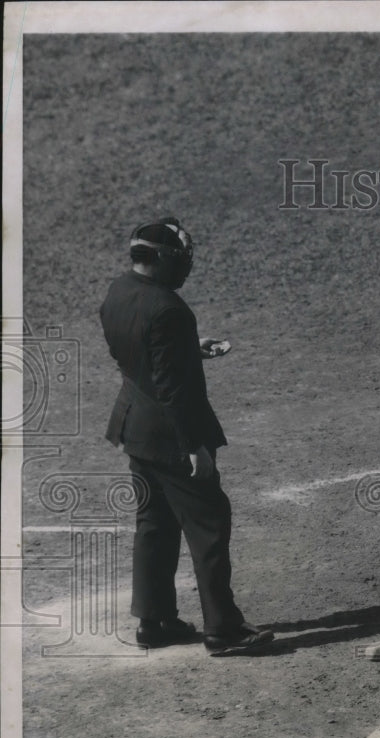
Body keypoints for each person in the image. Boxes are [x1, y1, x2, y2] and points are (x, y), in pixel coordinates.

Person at [100, 217, 273, 654]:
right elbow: (174, 390)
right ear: (160, 259)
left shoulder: (117, 291)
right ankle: (223, 630)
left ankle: (154, 623)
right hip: (168, 434)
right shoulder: (170, 309)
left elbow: (133, 350)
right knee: (209, 524)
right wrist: (192, 445)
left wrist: (186, 347)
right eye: (178, 259)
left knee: (153, 524)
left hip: (133, 427)